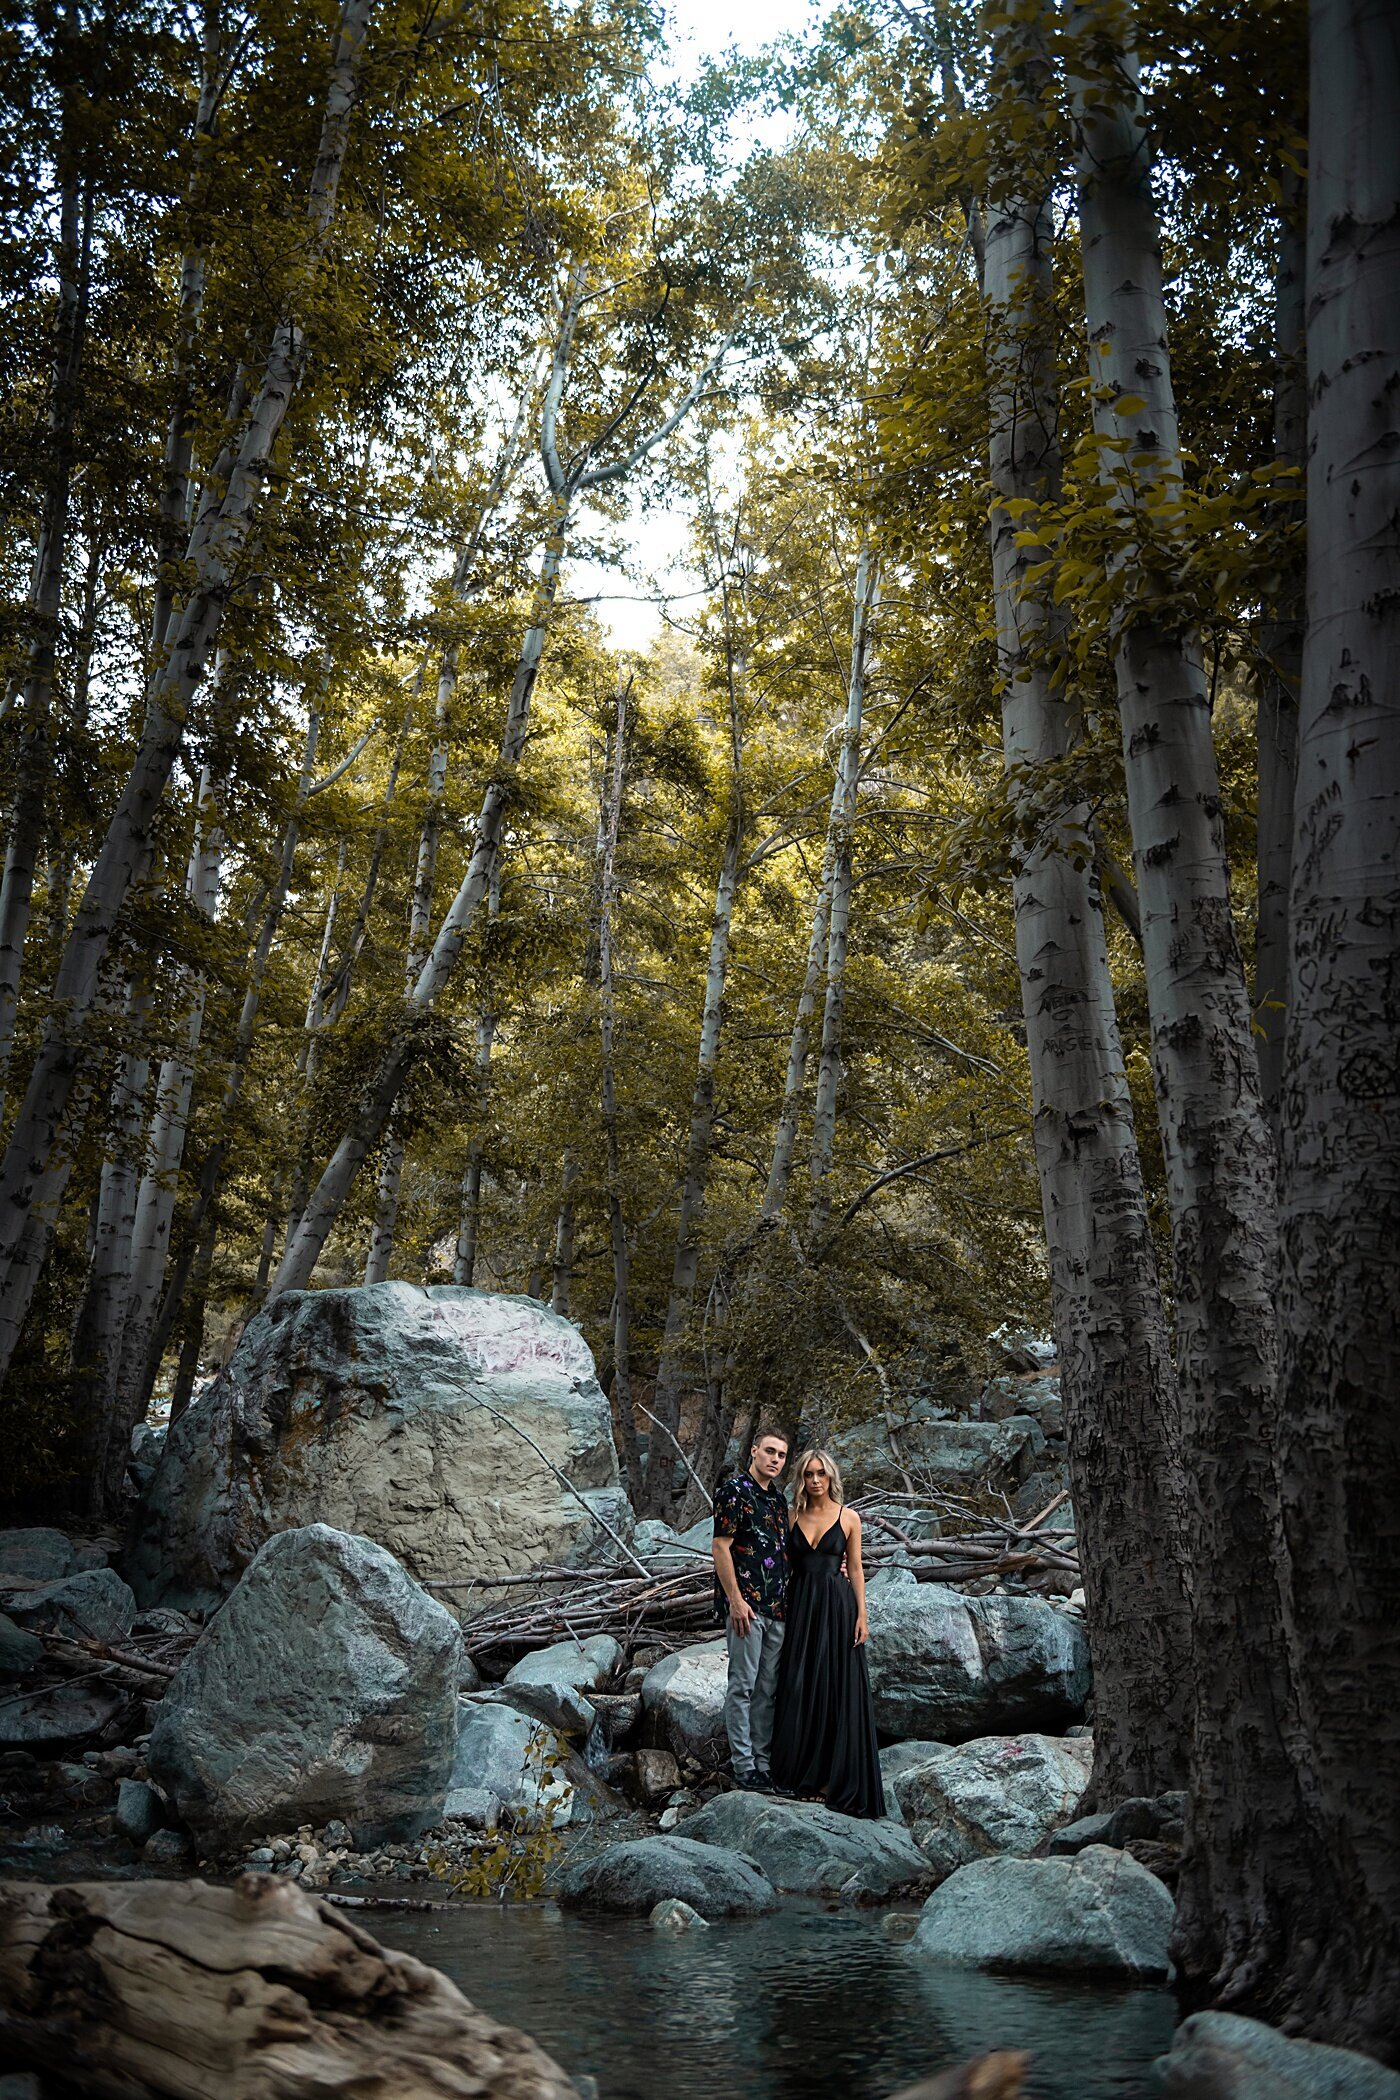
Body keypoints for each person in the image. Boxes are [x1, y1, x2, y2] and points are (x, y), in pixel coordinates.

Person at [769, 1447, 885, 1818]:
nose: (815, 1480)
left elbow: (856, 1568)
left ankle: (829, 1781)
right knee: (799, 1684)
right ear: (800, 1479)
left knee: (836, 1688)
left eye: (821, 1473)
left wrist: (862, 1615)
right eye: (808, 1474)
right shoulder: (791, 1517)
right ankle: (800, 1772)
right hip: (801, 1607)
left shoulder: (849, 1518)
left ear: (831, 1477)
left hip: (837, 1607)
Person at [711, 1424, 791, 1793]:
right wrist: (736, 1601)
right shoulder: (733, 1492)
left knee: (767, 1689)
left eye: (782, 1455)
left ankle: (762, 1763)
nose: (775, 1459)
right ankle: (743, 1766)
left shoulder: (777, 1500)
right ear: (754, 1451)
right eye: (770, 1451)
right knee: (742, 1686)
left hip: (778, 1608)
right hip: (747, 1608)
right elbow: (721, 1548)